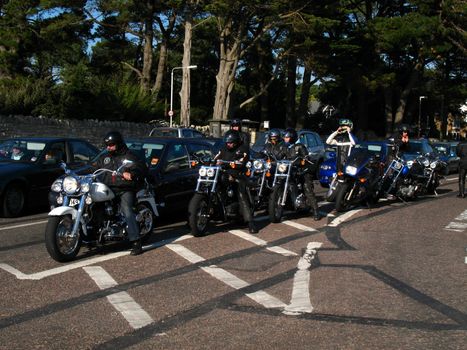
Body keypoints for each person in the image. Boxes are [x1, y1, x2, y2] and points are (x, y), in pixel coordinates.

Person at [94, 131, 147, 255]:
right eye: (107, 145)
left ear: (118, 144)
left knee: (126, 209)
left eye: (111, 145)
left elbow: (141, 168)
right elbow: (94, 168)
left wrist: (132, 174)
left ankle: (136, 242)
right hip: (107, 188)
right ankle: (93, 234)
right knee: (92, 203)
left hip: (125, 189)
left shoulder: (129, 156)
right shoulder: (104, 158)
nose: (108, 147)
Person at [214, 130, 258, 233]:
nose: (228, 144)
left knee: (241, 193)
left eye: (230, 142)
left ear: (236, 141)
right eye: (227, 142)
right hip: (224, 173)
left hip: (238, 175)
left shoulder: (242, 149)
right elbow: (216, 157)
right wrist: (209, 161)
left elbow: (242, 162)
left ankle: (250, 222)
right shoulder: (224, 149)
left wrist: (229, 164)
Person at [283, 128, 321, 221]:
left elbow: (305, 157)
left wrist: (304, 159)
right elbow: (280, 156)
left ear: (292, 138)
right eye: (284, 137)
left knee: (307, 188)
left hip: (301, 171)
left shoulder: (300, 146)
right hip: (289, 170)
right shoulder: (285, 147)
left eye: (287, 137)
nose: (285, 139)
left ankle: (316, 211)